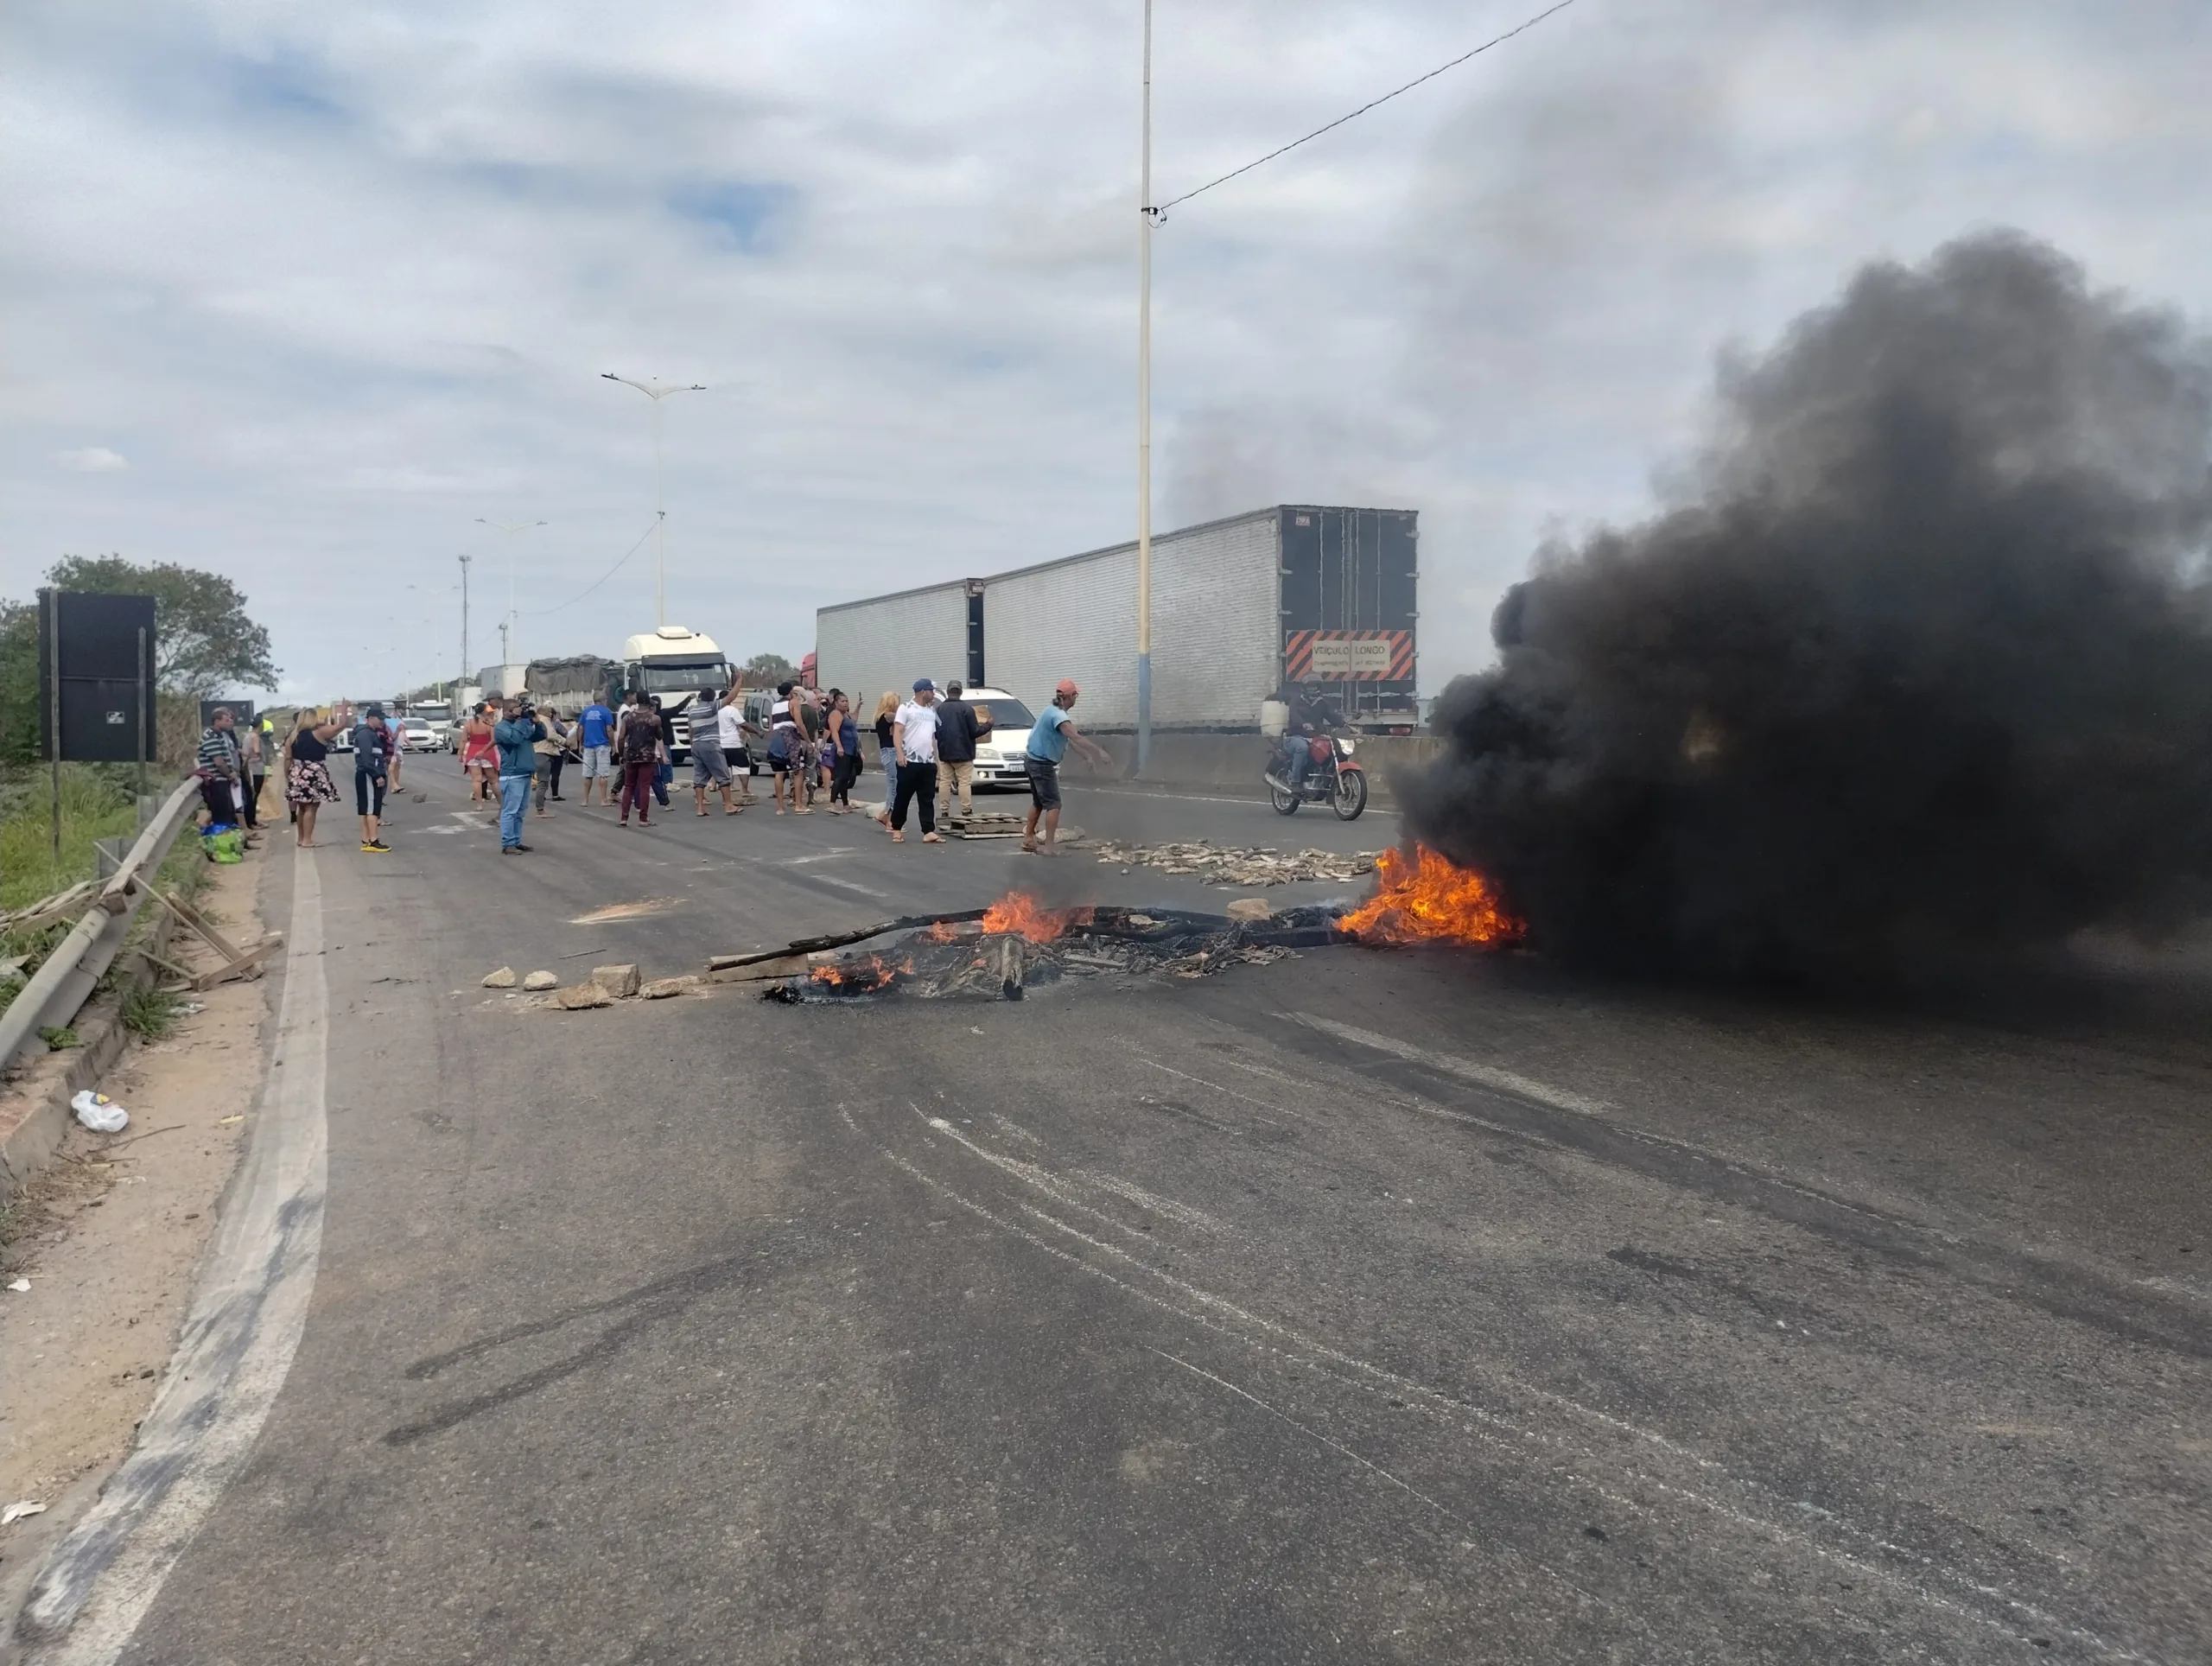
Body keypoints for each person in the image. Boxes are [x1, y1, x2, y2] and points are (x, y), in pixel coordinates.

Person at [1022, 678, 1113, 855]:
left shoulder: (1052, 711)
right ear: (1071, 696)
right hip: (1042, 764)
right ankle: (1049, 847)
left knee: (1038, 802)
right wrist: (1099, 752)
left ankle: (1028, 839)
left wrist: (1087, 756)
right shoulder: (1059, 716)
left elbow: (1068, 740)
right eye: (1076, 695)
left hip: (1032, 760)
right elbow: (1076, 737)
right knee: (1054, 804)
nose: (1076, 699)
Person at [888, 677, 944, 844]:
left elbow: (932, 738)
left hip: (927, 761)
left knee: (927, 798)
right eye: (932, 690)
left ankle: (928, 830)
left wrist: (937, 761)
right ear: (923, 692)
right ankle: (896, 828)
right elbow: (898, 732)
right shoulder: (906, 708)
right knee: (903, 796)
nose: (934, 694)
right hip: (909, 760)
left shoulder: (931, 712)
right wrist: (899, 754)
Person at [284, 705, 346, 848]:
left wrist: (287, 774)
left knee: (302, 807)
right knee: (311, 807)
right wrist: (344, 709)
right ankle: (307, 839)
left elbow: (288, 758)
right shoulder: (319, 733)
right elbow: (341, 725)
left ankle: (301, 838)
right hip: (314, 771)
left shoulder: (292, 736)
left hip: (297, 771)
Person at [934, 678, 989, 827]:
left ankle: (944, 811)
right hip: (964, 752)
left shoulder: (939, 710)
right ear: (960, 692)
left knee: (945, 781)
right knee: (964, 782)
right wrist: (988, 726)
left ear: (948, 691)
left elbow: (936, 732)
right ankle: (966, 810)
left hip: (945, 752)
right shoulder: (967, 709)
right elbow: (975, 731)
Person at [493, 696, 543, 853]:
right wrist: (521, 722)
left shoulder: (520, 724)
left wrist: (537, 722)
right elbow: (513, 739)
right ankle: (508, 844)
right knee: (510, 811)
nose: (521, 711)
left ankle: (516, 841)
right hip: (512, 775)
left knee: (520, 813)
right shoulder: (501, 728)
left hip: (524, 773)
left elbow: (540, 736)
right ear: (508, 711)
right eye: (517, 708)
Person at [1269, 677, 1334, 797]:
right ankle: (1295, 782)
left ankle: (1322, 779)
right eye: (1310, 687)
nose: (1312, 689)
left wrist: (1347, 725)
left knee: (1330, 748)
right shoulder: (1297, 701)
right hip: (1294, 736)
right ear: (1304, 688)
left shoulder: (1321, 703)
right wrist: (1302, 723)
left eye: (1315, 687)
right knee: (1302, 748)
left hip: (1315, 737)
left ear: (1319, 688)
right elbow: (1293, 714)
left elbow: (1333, 716)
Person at [688, 685, 741, 816]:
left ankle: (700, 808)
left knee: (699, 777)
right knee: (723, 774)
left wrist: (692, 744)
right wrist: (739, 681)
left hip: (696, 744)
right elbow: (730, 697)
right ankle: (728, 805)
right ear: (712, 697)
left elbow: (691, 730)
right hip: (710, 744)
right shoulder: (711, 707)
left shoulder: (692, 710)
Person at [349, 703, 394, 852]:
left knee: (365, 808)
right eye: (380, 719)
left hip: (365, 773)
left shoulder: (367, 733)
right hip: (368, 774)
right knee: (371, 809)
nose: (382, 722)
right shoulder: (366, 734)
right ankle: (373, 841)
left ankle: (366, 839)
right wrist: (377, 775)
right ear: (371, 718)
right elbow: (367, 759)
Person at [195, 707, 248, 831]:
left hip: (224, 780)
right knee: (222, 816)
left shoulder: (221, 736)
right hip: (216, 781)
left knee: (229, 813)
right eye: (226, 720)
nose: (230, 722)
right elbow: (218, 762)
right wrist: (230, 774)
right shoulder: (211, 736)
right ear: (217, 721)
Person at [615, 692, 663, 827]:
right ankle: (643, 819)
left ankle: (623, 818)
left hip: (631, 755)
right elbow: (660, 736)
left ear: (637, 702)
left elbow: (621, 737)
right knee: (644, 787)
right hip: (648, 756)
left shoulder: (628, 718)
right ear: (648, 702)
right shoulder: (655, 718)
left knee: (629, 786)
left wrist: (621, 754)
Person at [767, 682, 810, 815]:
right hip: (790, 738)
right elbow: (799, 723)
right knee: (798, 771)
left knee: (779, 773)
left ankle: (780, 807)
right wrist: (808, 740)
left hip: (776, 738)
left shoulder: (775, 705)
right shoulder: (793, 702)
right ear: (791, 691)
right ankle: (799, 804)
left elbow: (771, 727)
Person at [715, 681, 760, 805]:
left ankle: (726, 795)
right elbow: (743, 724)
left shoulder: (713, 710)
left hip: (719, 744)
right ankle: (745, 790)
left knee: (725, 770)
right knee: (743, 767)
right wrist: (757, 732)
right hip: (733, 743)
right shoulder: (731, 709)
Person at [576, 691, 617, 806]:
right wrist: (613, 744)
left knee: (588, 774)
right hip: (602, 745)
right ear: (603, 700)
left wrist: (581, 743)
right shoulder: (606, 712)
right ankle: (603, 800)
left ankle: (585, 800)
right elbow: (609, 729)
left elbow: (580, 729)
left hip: (588, 746)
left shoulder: (586, 711)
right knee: (602, 773)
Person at [826, 690, 863, 811]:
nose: (846, 703)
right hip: (842, 749)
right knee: (840, 777)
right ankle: (832, 803)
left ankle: (845, 804)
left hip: (851, 749)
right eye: (843, 701)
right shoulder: (835, 714)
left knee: (846, 777)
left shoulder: (846, 715)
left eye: (847, 701)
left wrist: (858, 707)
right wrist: (839, 746)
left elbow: (854, 720)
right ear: (836, 703)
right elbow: (834, 731)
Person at [533, 709, 573, 817]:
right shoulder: (545, 720)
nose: (551, 714)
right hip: (544, 753)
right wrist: (564, 741)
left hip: (538, 752)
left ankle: (540, 808)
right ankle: (540, 810)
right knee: (543, 783)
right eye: (549, 712)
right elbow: (550, 735)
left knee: (542, 782)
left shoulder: (536, 721)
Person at [871, 690, 900, 825]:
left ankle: (887, 814)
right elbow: (903, 717)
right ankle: (888, 815)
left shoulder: (880, 716)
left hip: (888, 751)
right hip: (890, 751)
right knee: (893, 784)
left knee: (893, 783)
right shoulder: (888, 716)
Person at [461, 703, 499, 804]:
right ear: (484, 712)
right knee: (494, 780)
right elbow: (494, 739)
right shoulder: (489, 724)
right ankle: (501, 803)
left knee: (476, 780)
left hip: (472, 753)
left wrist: (460, 754)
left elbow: (463, 741)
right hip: (488, 753)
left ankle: (479, 805)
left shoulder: (469, 724)